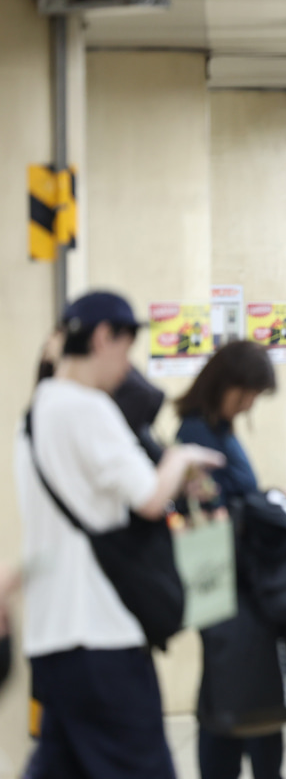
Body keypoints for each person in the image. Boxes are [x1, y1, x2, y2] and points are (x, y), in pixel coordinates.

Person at [15, 290, 224, 778]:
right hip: (101, 634)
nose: (127, 366)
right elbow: (150, 498)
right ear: (104, 337)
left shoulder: (33, 415)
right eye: (126, 347)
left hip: (51, 641)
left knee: (58, 765)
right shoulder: (88, 409)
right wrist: (181, 459)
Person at [176, 340, 286, 779]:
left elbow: (236, 499)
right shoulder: (197, 433)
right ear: (225, 384)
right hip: (224, 580)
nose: (251, 402)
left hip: (240, 578)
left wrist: (269, 498)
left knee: (235, 692)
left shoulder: (219, 427)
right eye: (247, 392)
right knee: (240, 693)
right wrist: (272, 505)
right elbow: (216, 510)